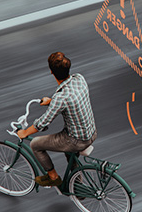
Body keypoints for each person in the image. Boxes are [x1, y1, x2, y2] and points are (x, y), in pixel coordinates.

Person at [16, 52, 97, 187]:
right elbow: (72, 99)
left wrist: (24, 133)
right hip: (91, 132)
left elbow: (43, 122)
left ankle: (53, 177)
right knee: (68, 153)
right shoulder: (79, 79)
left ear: (51, 72)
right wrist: (52, 101)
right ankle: (77, 186)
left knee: (35, 144)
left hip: (76, 140)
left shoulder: (61, 98)